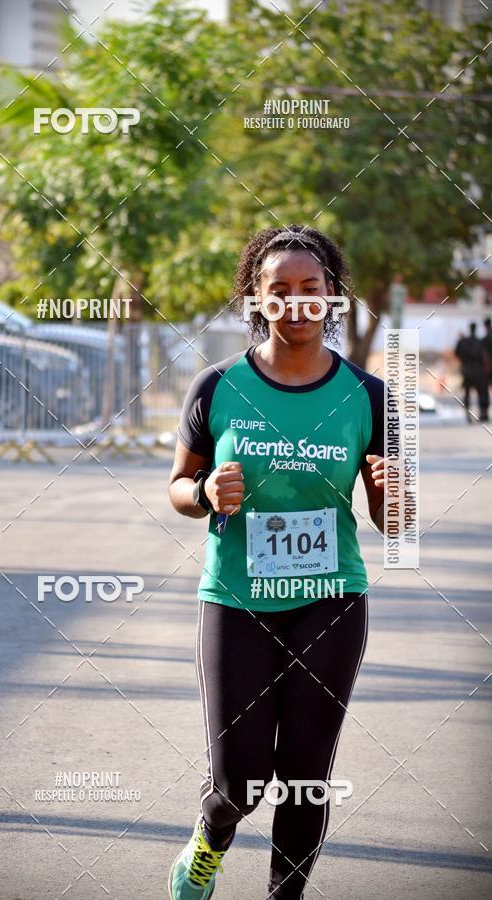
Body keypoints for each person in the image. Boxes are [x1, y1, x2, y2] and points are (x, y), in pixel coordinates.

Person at [167, 225, 394, 900]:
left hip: (330, 601)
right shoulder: (218, 386)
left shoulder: (369, 395)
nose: (296, 304)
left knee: (304, 772)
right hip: (236, 600)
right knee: (238, 779)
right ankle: (210, 840)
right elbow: (178, 486)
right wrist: (205, 492)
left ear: (332, 297)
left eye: (311, 289)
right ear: (256, 301)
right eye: (279, 291)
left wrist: (390, 496)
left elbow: (394, 519)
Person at [454, 322, 489, 423]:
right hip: (478, 371)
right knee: (481, 392)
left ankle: (468, 414)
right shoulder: (480, 342)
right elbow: (484, 356)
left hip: (467, 370)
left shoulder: (463, 341)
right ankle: (483, 414)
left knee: (467, 393)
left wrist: (464, 362)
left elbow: (457, 353)